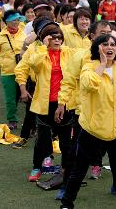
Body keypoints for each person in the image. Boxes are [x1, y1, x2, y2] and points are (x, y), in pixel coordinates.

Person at [61, 35, 116, 209]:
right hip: (92, 129)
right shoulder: (89, 66)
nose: (110, 48)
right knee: (79, 169)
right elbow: (88, 84)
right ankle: (67, 203)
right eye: (105, 44)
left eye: (113, 45)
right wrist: (101, 64)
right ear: (96, 48)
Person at [20, 22, 73, 182]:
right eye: (53, 38)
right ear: (45, 39)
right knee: (42, 139)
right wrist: (44, 47)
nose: (57, 41)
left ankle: (66, 169)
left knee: (65, 141)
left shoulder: (68, 53)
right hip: (43, 103)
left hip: (64, 103)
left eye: (60, 38)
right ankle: (37, 167)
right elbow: (32, 66)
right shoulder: (37, 52)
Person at [0, 10, 26, 130]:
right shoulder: (0, 37)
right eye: (14, 20)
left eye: (18, 19)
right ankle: (12, 119)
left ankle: (29, 123)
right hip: (8, 72)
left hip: (24, 71)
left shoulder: (23, 34)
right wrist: (3, 64)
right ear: (7, 22)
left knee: (24, 96)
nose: (17, 22)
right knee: (10, 97)